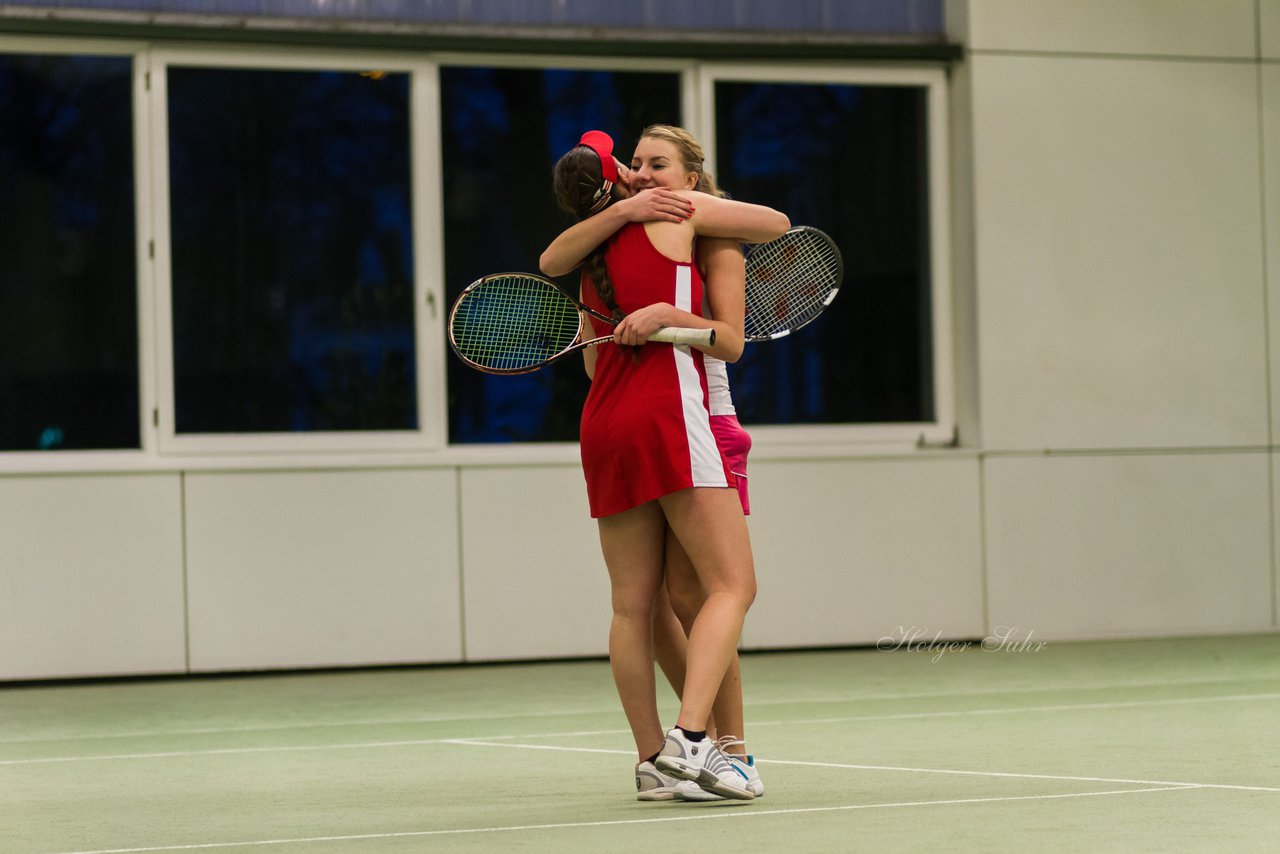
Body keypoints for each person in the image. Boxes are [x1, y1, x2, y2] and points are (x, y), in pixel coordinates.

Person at [545, 129, 788, 800]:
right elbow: (777, 230)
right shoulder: (674, 219)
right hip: (671, 419)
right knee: (729, 589)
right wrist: (664, 206)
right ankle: (697, 741)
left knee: (644, 607)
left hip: (606, 423)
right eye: (632, 164)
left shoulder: (592, 250)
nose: (641, 173)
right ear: (615, 178)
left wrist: (655, 306)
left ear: (689, 172)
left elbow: (577, 321)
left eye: (656, 164)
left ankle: (658, 758)